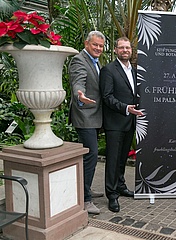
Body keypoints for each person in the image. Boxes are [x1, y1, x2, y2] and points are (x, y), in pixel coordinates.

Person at [99, 37, 144, 212]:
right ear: (116, 50)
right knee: (112, 160)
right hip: (115, 123)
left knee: (122, 158)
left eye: (128, 48)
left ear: (131, 51)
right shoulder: (108, 70)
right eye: (122, 48)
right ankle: (111, 194)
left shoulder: (133, 70)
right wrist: (126, 108)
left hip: (129, 122)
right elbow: (107, 97)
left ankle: (120, 185)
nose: (125, 50)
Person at [69, 31, 106, 215]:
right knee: (91, 155)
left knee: (90, 155)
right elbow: (78, 82)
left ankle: (87, 188)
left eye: (101, 46)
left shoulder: (95, 62)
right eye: (95, 45)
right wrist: (80, 95)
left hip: (94, 115)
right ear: (86, 43)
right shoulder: (79, 60)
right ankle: (85, 199)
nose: (98, 48)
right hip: (84, 115)